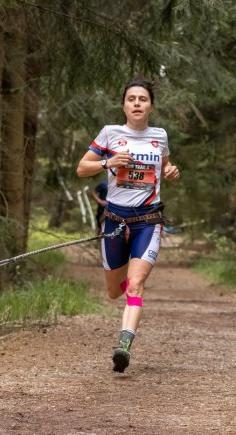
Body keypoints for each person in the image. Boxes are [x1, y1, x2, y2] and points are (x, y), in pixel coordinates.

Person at [76, 77, 180, 373]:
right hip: (114, 223)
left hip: (148, 222)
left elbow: (165, 168)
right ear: (124, 104)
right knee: (113, 291)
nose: (137, 103)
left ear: (151, 106)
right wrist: (108, 163)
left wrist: (171, 172)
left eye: (142, 99)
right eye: (131, 98)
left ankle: (124, 345)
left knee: (136, 284)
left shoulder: (160, 136)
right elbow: (82, 168)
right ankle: (125, 291)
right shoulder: (110, 134)